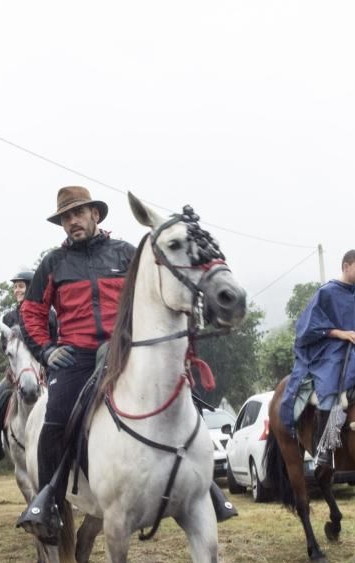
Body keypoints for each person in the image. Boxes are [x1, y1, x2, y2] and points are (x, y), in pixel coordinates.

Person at [16, 186, 237, 544]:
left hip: (127, 349)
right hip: (78, 356)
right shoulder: (53, 263)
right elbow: (32, 312)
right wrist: (46, 350)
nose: (72, 221)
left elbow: (155, 291)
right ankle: (49, 503)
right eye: (65, 217)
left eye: (78, 213)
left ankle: (205, 485)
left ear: (95, 215)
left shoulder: (125, 253)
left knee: (182, 399)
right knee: (55, 417)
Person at [279, 250, 355, 469]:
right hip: (330, 350)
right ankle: (324, 448)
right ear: (346, 266)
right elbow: (309, 328)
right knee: (330, 388)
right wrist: (341, 333)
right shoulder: (326, 293)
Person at [0, 270, 36, 475]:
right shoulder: (9, 317)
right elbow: (4, 348)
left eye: (20, 286)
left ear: (30, 287)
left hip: (43, 371)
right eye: (15, 287)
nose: (16, 290)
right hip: (14, 375)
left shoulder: (46, 313)